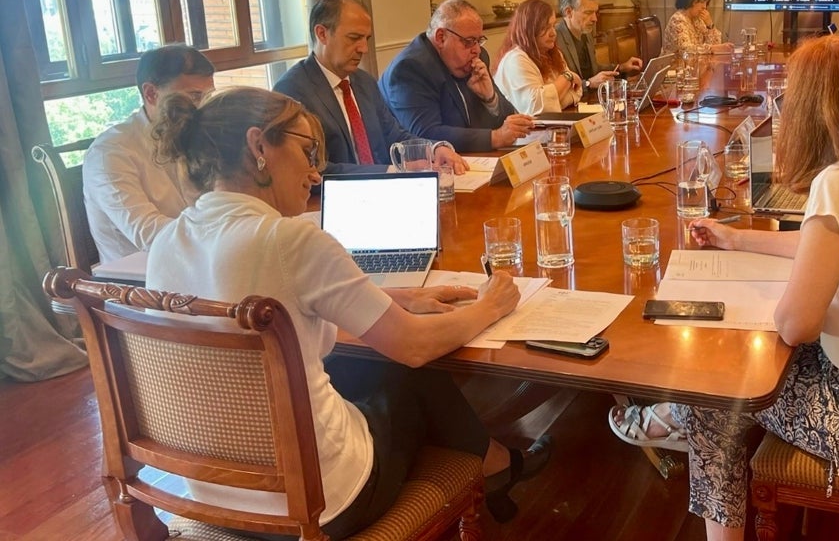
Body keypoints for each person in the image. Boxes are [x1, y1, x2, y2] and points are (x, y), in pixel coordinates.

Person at [144, 87, 551, 536]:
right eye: (307, 151)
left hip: (212, 495)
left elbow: (283, 314)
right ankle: (493, 465)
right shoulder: (290, 240)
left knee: (358, 366)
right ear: (259, 146)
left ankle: (495, 463)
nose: (316, 172)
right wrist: (491, 305)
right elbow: (414, 346)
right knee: (410, 372)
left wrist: (393, 299)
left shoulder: (167, 243)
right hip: (319, 503)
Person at [609, 37, 839, 541]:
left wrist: (762, 304)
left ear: (814, 111)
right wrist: (735, 239)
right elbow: (824, 246)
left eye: (789, 100)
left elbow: (796, 324)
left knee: (721, 385)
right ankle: (675, 417)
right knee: (733, 381)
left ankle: (680, 422)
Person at [274, 0, 465, 174]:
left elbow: (394, 135)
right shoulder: (292, 91)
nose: (364, 49)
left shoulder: (364, 81)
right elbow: (311, 168)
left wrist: (434, 149)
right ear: (322, 34)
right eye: (354, 38)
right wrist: (389, 172)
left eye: (367, 39)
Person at [82, 44, 214, 266]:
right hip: (139, 284)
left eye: (208, 97)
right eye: (194, 96)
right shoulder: (110, 153)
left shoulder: (195, 132)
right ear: (151, 93)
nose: (202, 108)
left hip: (197, 261)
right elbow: (149, 234)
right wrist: (226, 238)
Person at [381, 0, 535, 152]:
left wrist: (490, 99)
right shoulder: (410, 69)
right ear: (441, 37)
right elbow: (426, 135)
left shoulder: (476, 60)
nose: (477, 50)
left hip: (474, 161)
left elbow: (506, 124)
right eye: (469, 41)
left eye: (478, 41)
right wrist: (494, 138)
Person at [494, 0, 583, 114]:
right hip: (525, 131)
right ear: (529, 30)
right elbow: (537, 108)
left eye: (553, 26)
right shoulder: (516, 60)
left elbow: (577, 91)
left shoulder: (553, 53)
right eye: (545, 28)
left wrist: (555, 102)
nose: (553, 33)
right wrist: (567, 77)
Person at [554, 0, 642, 91]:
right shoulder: (555, 39)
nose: (595, 19)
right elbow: (556, 85)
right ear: (568, 12)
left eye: (595, 12)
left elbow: (593, 69)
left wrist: (621, 67)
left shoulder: (586, 33)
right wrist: (588, 83)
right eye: (588, 13)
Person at [662, 0, 734, 55]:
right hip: (675, 64)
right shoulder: (677, 20)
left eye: (706, 3)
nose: (704, 7)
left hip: (693, 64)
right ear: (692, 1)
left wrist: (710, 25)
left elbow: (716, 44)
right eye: (702, 2)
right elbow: (686, 50)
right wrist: (713, 48)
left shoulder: (697, 19)